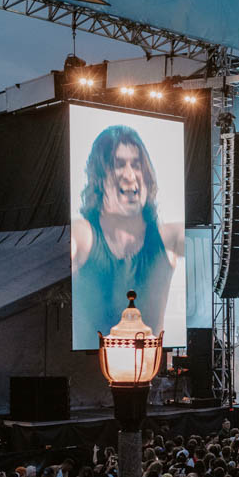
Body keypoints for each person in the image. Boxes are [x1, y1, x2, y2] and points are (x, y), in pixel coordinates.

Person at [71, 122, 185, 347]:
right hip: (90, 365)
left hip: (148, 365)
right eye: (118, 165)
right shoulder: (83, 236)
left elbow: (209, 244)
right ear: (99, 178)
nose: (130, 175)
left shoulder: (169, 239)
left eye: (137, 165)